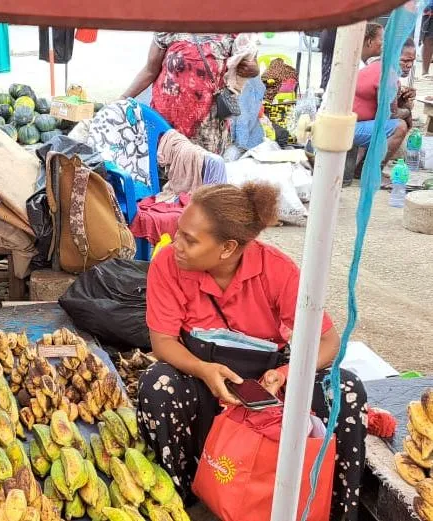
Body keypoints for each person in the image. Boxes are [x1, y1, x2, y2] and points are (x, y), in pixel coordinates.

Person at [138, 182, 367, 521]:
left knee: (346, 389)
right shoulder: (167, 266)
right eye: (178, 232)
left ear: (227, 248)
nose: (176, 245)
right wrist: (204, 370)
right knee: (158, 383)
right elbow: (163, 342)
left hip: (269, 383)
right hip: (204, 378)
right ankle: (181, 501)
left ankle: (337, 511)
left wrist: (286, 376)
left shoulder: (277, 270)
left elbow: (328, 342)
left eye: (190, 239)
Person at [121, 33, 259, 155]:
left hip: (207, 130)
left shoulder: (232, 33)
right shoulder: (168, 28)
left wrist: (252, 69)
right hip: (167, 124)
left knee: (202, 171)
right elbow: (150, 70)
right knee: (164, 166)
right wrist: (123, 99)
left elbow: (251, 64)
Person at [352, 39, 415, 167]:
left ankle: (363, 168)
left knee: (395, 123)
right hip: (349, 129)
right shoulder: (388, 75)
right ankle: (373, 170)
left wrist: (402, 101)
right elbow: (391, 114)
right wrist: (408, 111)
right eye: (405, 61)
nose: (409, 65)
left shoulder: (377, 65)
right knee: (400, 127)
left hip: (352, 125)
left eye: (412, 61)